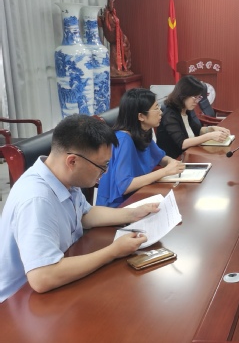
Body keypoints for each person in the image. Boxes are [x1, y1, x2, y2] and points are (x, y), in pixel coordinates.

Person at [0, 115, 160, 302]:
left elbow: (85, 214)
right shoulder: (36, 199)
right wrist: (114, 251)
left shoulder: (62, 176)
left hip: (59, 275)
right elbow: (42, 277)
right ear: (72, 161)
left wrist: (133, 213)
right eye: (102, 166)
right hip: (20, 300)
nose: (105, 172)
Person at [96, 88, 185, 208]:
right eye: (156, 108)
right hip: (118, 205)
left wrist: (172, 162)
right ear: (141, 116)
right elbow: (125, 186)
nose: (161, 113)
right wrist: (165, 171)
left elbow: (160, 157)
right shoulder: (123, 140)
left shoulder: (143, 132)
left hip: (138, 194)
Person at [156, 75, 230, 159]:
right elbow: (182, 143)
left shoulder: (186, 109)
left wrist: (211, 129)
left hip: (189, 153)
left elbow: (197, 130)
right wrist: (210, 136)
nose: (197, 101)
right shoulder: (170, 114)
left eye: (199, 97)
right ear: (183, 95)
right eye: (195, 97)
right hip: (175, 159)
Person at [98, 0, 133, 77]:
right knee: (122, 45)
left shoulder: (112, 14)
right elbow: (108, 28)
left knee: (125, 44)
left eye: (113, 2)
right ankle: (116, 68)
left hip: (118, 35)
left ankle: (124, 67)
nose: (112, 5)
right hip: (114, 37)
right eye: (111, 2)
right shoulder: (107, 15)